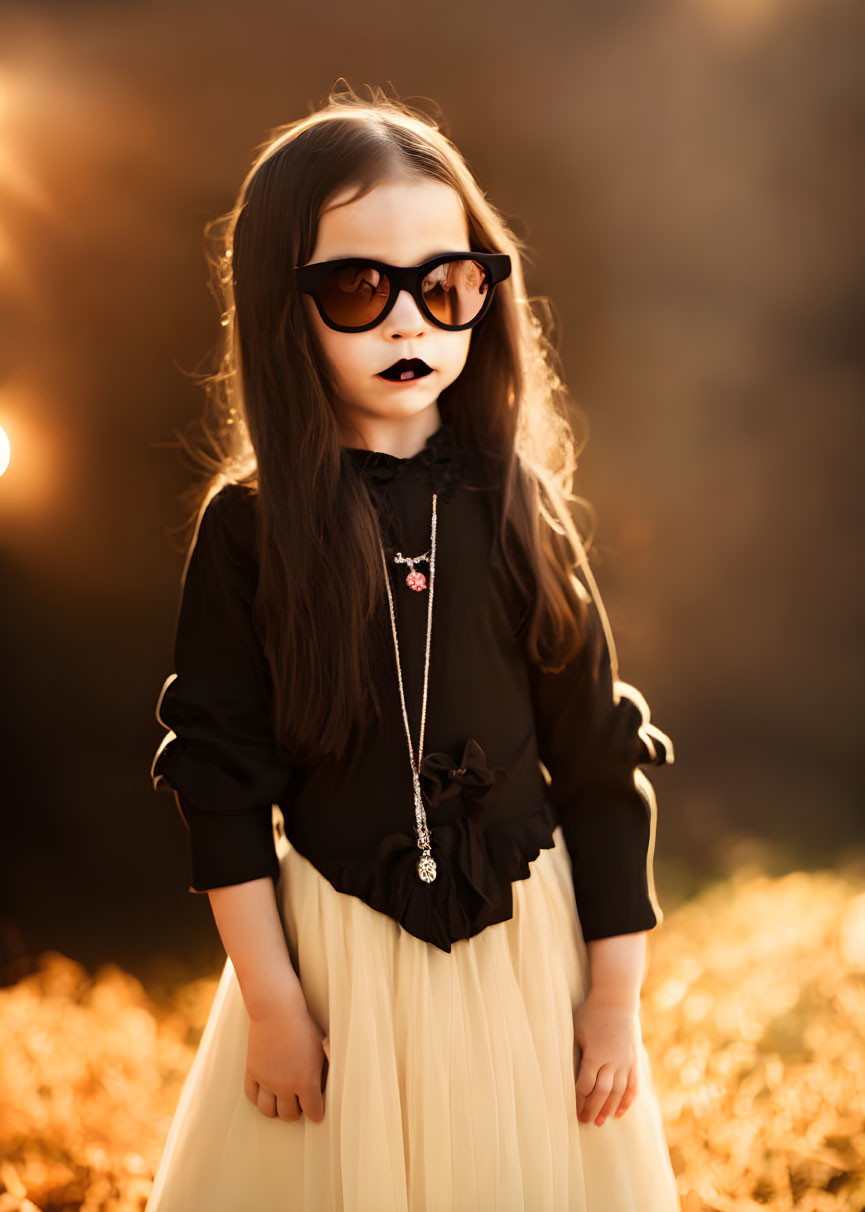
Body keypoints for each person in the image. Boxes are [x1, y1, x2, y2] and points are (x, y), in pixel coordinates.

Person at [145, 82, 682, 1212]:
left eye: (445, 286)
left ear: (486, 292)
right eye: (357, 287)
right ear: (279, 305)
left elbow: (597, 759)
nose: (409, 323)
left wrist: (613, 997)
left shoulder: (517, 508)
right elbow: (222, 779)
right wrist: (276, 1004)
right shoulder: (251, 531)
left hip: (523, 961)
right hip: (333, 966)